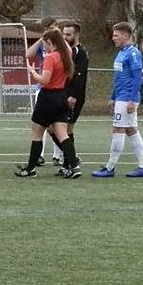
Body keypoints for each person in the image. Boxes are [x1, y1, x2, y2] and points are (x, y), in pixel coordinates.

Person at [15, 28, 80, 179]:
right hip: (61, 96)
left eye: (45, 43)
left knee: (37, 133)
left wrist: (32, 72)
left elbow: (45, 80)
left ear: (50, 42)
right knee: (62, 134)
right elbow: (66, 47)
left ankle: (30, 169)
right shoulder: (66, 54)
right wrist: (56, 33)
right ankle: (74, 166)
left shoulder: (51, 57)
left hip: (47, 97)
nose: (44, 46)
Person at [92, 22, 143, 178]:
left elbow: (137, 77)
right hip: (120, 97)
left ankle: (110, 167)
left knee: (118, 130)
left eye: (116, 35)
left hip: (126, 98)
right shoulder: (121, 53)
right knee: (131, 130)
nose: (113, 38)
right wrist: (113, 97)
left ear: (125, 36)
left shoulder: (133, 53)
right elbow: (118, 78)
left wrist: (132, 99)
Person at [24, 16, 59, 166]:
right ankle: (40, 154)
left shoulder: (61, 44)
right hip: (43, 88)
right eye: (45, 29)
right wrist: (41, 39)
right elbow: (28, 54)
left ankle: (58, 155)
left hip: (58, 89)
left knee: (58, 124)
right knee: (41, 124)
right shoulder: (43, 43)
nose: (48, 31)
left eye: (50, 28)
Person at [56, 21, 89, 175]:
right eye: (63, 34)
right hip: (63, 94)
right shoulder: (65, 51)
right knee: (56, 128)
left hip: (74, 96)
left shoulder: (80, 53)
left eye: (68, 34)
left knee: (67, 128)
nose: (64, 37)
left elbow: (80, 77)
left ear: (76, 35)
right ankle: (70, 159)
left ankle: (70, 164)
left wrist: (74, 96)